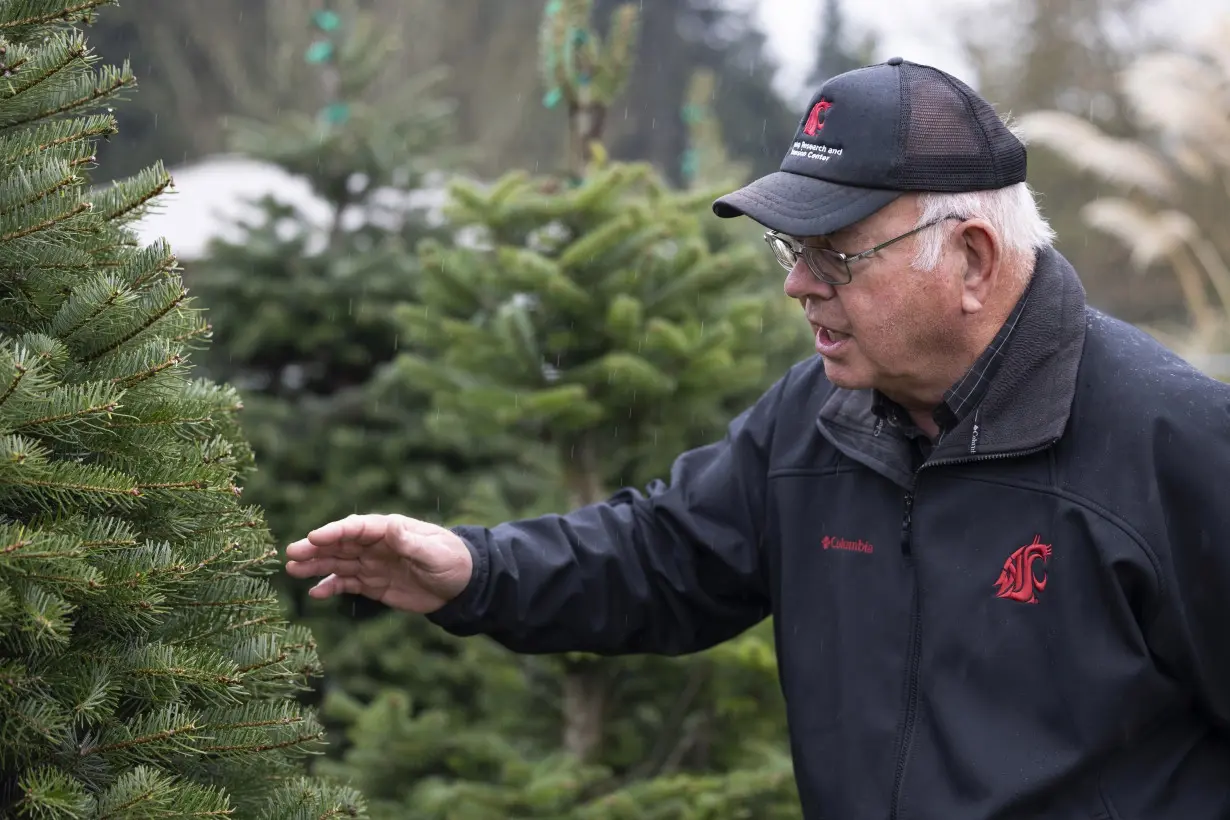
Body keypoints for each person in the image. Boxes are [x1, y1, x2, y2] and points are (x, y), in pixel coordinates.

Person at [284, 57, 1230, 819]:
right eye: (791, 251)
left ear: (972, 259)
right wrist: (473, 568)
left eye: (836, 255)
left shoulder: (1175, 445)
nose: (799, 286)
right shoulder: (816, 417)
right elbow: (660, 555)